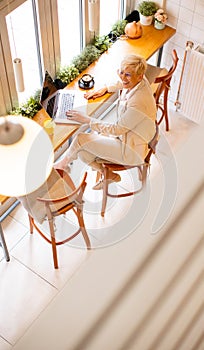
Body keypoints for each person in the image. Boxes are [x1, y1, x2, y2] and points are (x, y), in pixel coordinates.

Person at [54, 54, 157, 189]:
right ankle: (107, 174)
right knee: (81, 151)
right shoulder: (139, 81)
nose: (122, 77)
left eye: (127, 75)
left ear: (139, 75)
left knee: (80, 139)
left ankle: (61, 166)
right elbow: (123, 83)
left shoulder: (139, 101)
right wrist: (106, 88)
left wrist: (87, 120)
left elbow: (117, 129)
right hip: (125, 136)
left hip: (131, 150)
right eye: (121, 72)